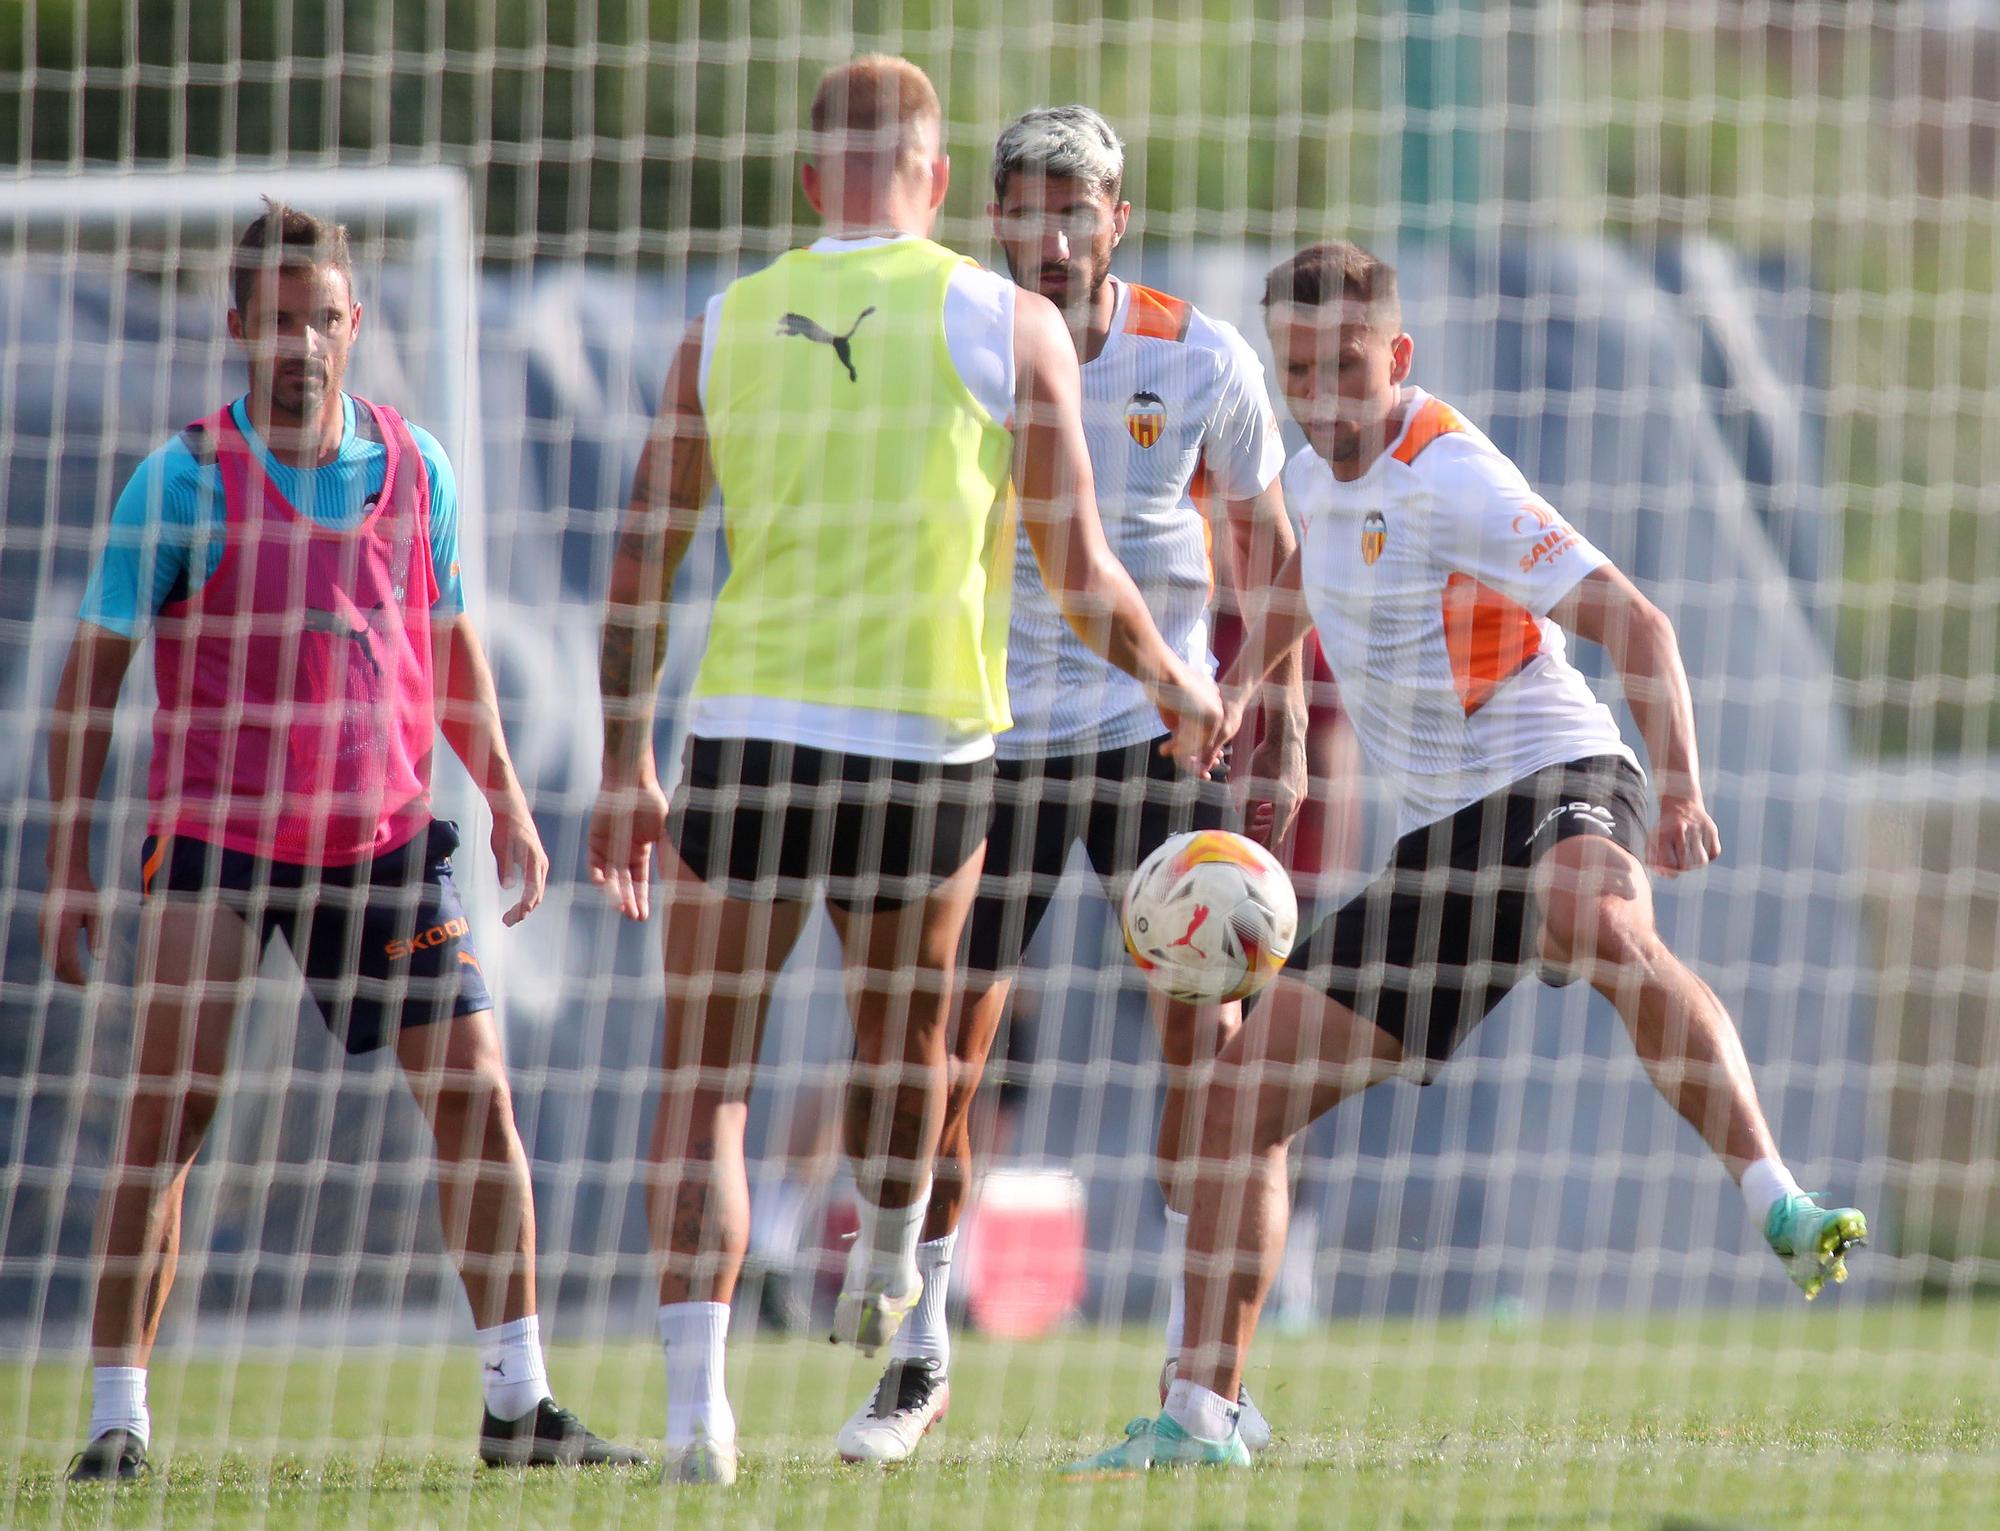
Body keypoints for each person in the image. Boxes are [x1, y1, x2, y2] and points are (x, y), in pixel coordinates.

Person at [1066, 240, 1869, 1472]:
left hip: (1558, 779)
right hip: (1438, 850)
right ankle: (1200, 1414)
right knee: (1236, 1106)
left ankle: (1777, 1198)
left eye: (1344, 365)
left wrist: (1678, 790)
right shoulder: (1311, 478)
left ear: (1394, 358)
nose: (1320, 392)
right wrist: (1237, 702)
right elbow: (1287, 589)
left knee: (1599, 926)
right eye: (1296, 368)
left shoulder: (1451, 472)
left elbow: (1634, 622)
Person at [588, 58, 1223, 1486]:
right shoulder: (1005, 322)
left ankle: (700, 1409)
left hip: (745, 735)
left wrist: (627, 755)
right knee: (907, 1056)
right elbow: (1081, 573)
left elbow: (641, 554)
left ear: (814, 182)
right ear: (944, 188)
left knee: (706, 1077)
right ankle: (885, 1246)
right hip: (925, 750)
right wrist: (1180, 680)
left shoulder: (723, 323)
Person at [39, 202, 641, 1481]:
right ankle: (114, 1420)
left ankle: (517, 1406)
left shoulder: (417, 466)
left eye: (325, 316)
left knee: (479, 1105)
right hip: (216, 843)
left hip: (381, 844)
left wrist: (513, 806)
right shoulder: (185, 479)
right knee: (169, 1116)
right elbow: (88, 680)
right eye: (279, 318)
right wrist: (65, 865)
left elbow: (452, 648)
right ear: (239, 328)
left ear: (354, 325)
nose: (303, 340)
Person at [836, 103, 1319, 1466]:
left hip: (1156, 742)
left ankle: (1199, 1377)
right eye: (1027, 205)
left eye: (1076, 206)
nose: (1050, 234)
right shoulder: (957, 340)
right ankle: (919, 1353)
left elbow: (1273, 550)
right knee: (944, 1054)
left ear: (1121, 218)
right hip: (984, 741)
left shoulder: (1198, 354)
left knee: (1212, 1056)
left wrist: (1269, 714)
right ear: (991, 214)